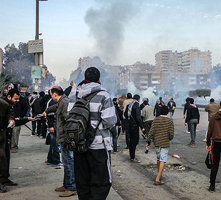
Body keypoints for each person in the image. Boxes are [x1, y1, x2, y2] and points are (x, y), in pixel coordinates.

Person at [74, 67, 117, 199]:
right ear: (99, 79)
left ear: (84, 78)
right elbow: (110, 121)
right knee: (101, 182)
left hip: (79, 144)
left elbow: (69, 117)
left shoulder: (74, 94)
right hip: (98, 146)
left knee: (83, 182)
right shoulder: (104, 95)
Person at [43, 86, 77, 197]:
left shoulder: (65, 102)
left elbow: (69, 120)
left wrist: (67, 136)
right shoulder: (62, 102)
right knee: (66, 162)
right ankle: (66, 184)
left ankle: (71, 187)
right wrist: (46, 111)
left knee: (69, 162)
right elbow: (55, 107)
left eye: (51, 94)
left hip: (66, 137)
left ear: (55, 94)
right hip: (62, 137)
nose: (51, 96)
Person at [146, 105, 174, 185]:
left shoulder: (156, 120)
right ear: (167, 112)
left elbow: (151, 131)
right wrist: (169, 138)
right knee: (163, 159)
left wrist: (149, 140)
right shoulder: (169, 121)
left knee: (158, 158)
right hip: (165, 142)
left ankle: (159, 174)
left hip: (157, 142)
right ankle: (157, 179)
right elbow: (171, 134)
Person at [124, 94, 145, 163]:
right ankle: (132, 156)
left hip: (128, 125)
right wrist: (142, 127)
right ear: (138, 99)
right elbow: (138, 118)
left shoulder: (129, 105)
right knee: (135, 141)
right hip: (134, 126)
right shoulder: (136, 105)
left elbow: (125, 114)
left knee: (131, 141)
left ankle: (131, 154)